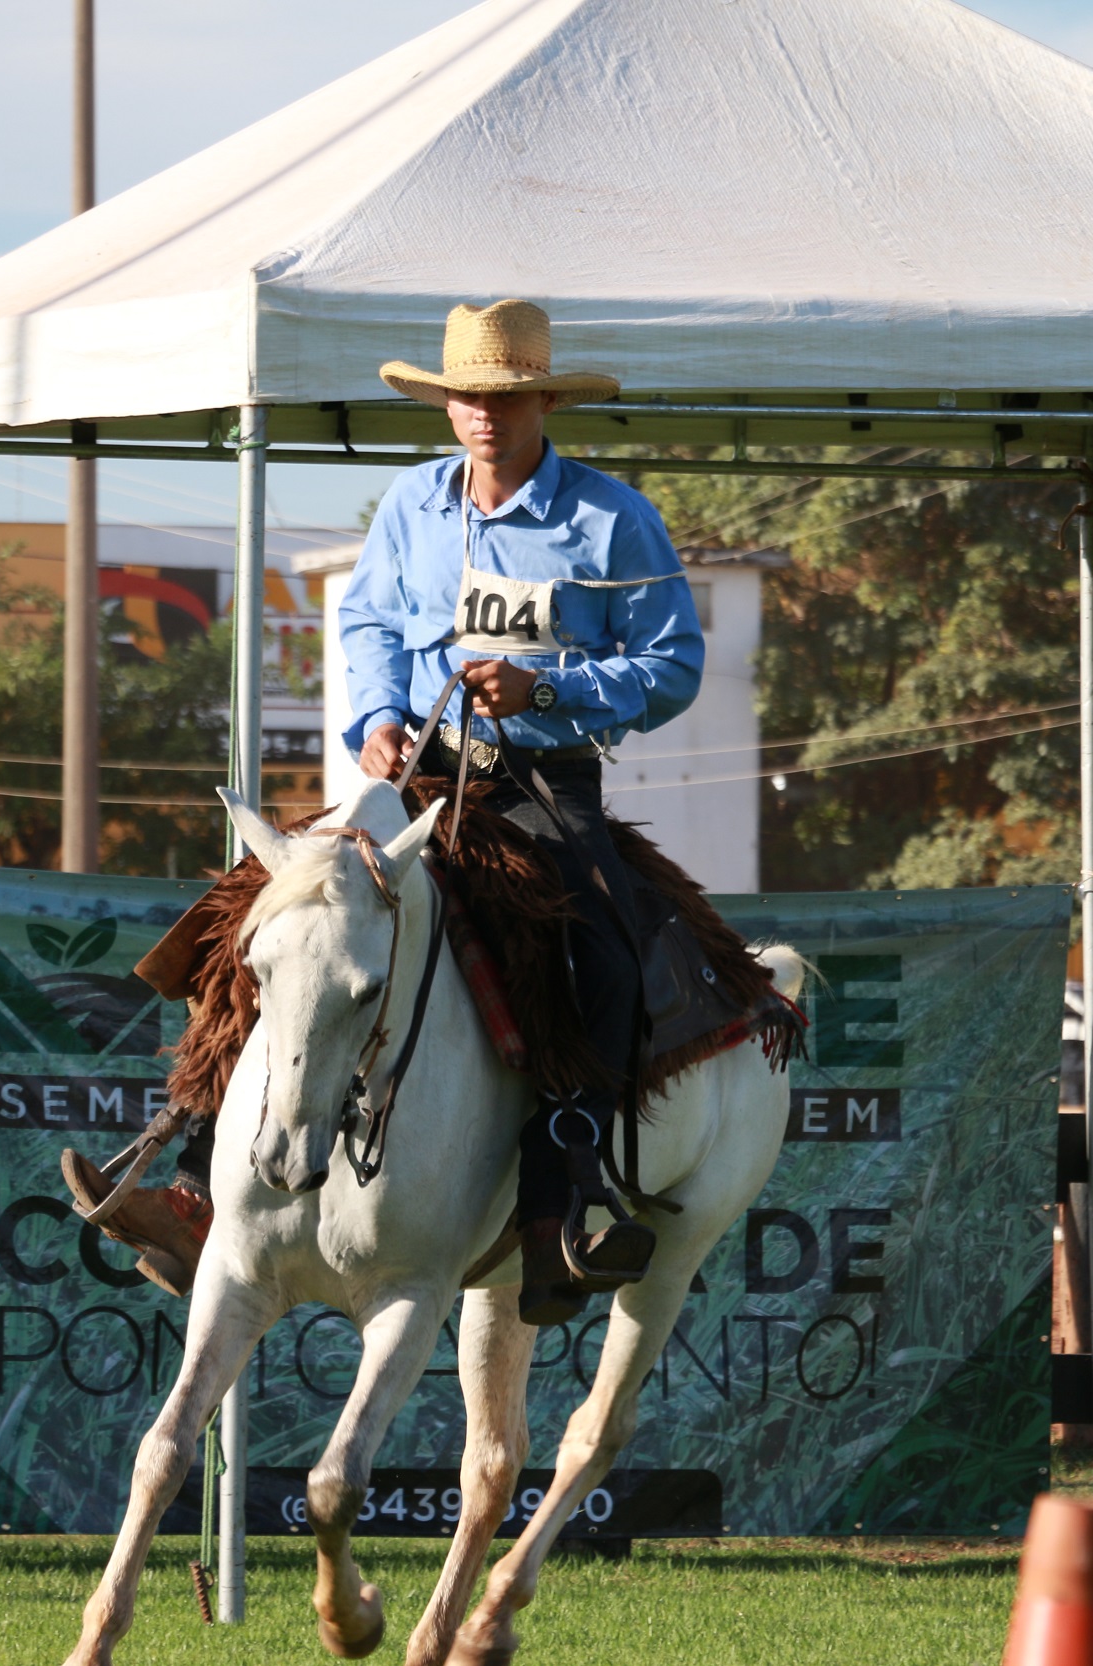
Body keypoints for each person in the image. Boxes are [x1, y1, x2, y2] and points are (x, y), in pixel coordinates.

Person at [343, 298, 704, 1324]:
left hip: (542, 787)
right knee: (268, 908)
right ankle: (193, 1164)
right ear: (446, 402)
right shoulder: (409, 504)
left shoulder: (613, 517)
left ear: (544, 396)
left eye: (504, 397)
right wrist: (374, 714)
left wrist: (548, 691)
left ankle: (559, 1210)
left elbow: (671, 667)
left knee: (604, 958)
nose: (484, 415)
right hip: (417, 772)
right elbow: (367, 618)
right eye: (466, 396)